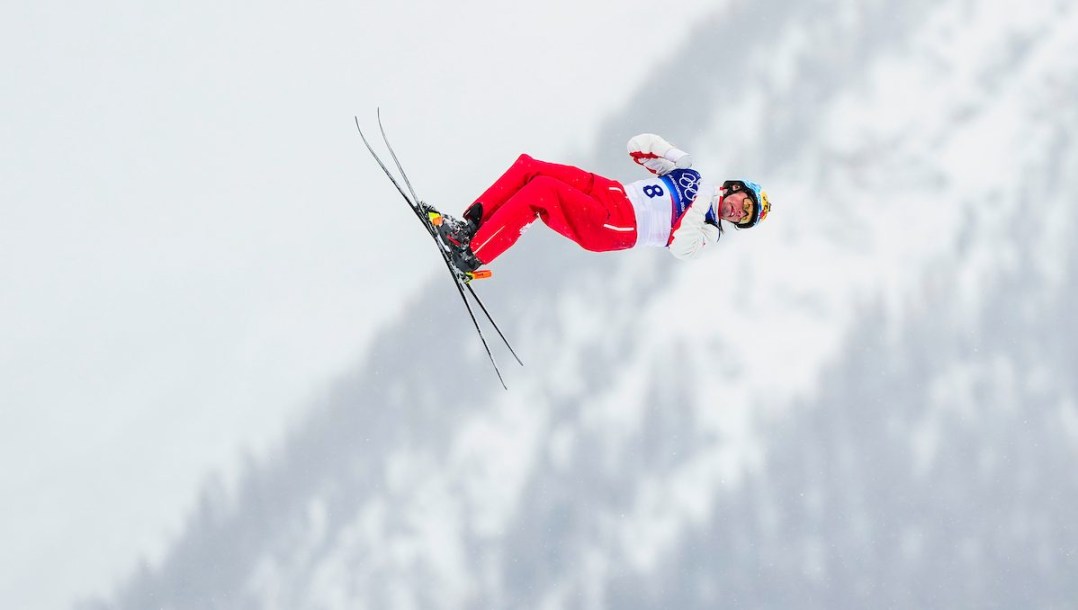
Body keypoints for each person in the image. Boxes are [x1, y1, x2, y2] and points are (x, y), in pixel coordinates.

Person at [436, 133, 771, 274]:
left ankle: (473, 254)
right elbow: (637, 146)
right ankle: (470, 228)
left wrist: (700, 201)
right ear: (736, 188)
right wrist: (673, 155)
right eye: (744, 204)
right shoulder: (691, 177)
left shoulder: (709, 230)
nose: (737, 212)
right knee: (530, 167)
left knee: (542, 192)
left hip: (619, 224)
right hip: (611, 193)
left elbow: (681, 247)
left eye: (743, 218)